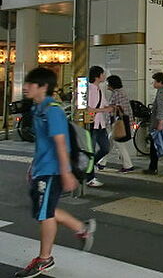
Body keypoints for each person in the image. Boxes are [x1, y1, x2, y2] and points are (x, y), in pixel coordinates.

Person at [15, 67, 96, 278]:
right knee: (44, 210)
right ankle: (81, 228)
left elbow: (61, 144)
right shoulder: (38, 108)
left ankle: (45, 259)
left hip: (52, 171)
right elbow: (43, 143)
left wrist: (66, 173)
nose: (25, 87)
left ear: (43, 87)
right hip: (42, 169)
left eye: (30, 84)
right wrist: (33, 166)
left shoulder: (53, 111)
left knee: (45, 214)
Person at [85, 65, 113, 187]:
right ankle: (89, 177)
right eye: (102, 74)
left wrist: (110, 108)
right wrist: (104, 110)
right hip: (92, 124)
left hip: (101, 124)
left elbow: (104, 104)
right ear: (97, 76)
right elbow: (89, 109)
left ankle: (89, 166)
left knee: (105, 148)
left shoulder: (99, 89)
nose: (104, 76)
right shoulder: (90, 90)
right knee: (90, 152)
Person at [104, 75, 134, 173]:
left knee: (119, 144)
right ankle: (101, 162)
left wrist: (108, 108)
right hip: (121, 122)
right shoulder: (119, 92)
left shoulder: (118, 93)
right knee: (111, 143)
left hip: (119, 123)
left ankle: (128, 165)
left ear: (112, 84)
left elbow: (120, 108)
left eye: (108, 83)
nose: (107, 84)